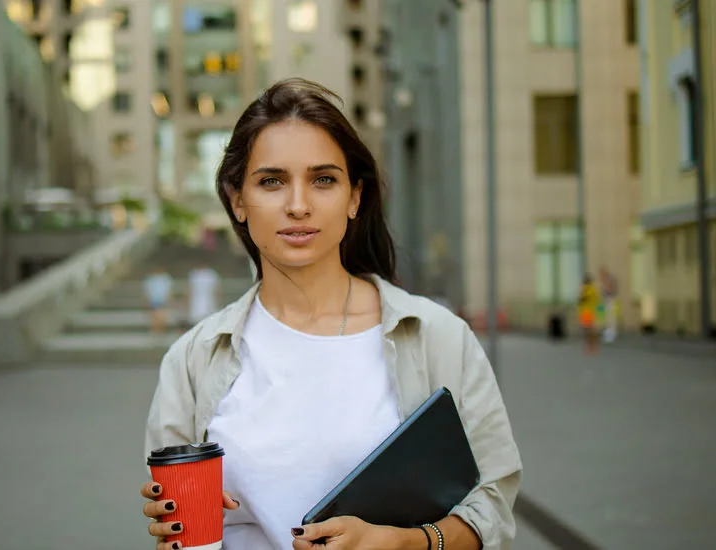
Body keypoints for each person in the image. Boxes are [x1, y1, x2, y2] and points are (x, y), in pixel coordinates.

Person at [141, 79, 521, 550]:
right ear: (238, 200)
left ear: (355, 197)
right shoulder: (193, 359)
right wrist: (174, 533)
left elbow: (494, 505)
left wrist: (408, 543)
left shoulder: (437, 337)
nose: (298, 205)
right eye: (271, 181)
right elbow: (179, 534)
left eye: (323, 179)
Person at [577, 273, 601, 355]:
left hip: (588, 312)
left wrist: (582, 291)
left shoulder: (589, 289)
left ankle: (592, 347)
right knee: (588, 330)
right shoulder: (593, 289)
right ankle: (592, 346)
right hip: (587, 312)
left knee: (589, 330)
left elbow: (582, 299)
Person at [144, 268, 173, 333]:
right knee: (156, 318)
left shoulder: (165, 278)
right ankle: (156, 332)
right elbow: (147, 292)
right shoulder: (150, 279)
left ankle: (160, 332)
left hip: (163, 301)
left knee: (162, 318)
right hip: (154, 301)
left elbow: (168, 292)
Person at [599, 266, 619, 343]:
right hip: (606, 299)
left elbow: (611, 289)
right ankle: (608, 333)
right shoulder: (605, 280)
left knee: (611, 317)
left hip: (610, 299)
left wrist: (605, 289)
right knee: (605, 317)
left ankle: (611, 334)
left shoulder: (610, 279)